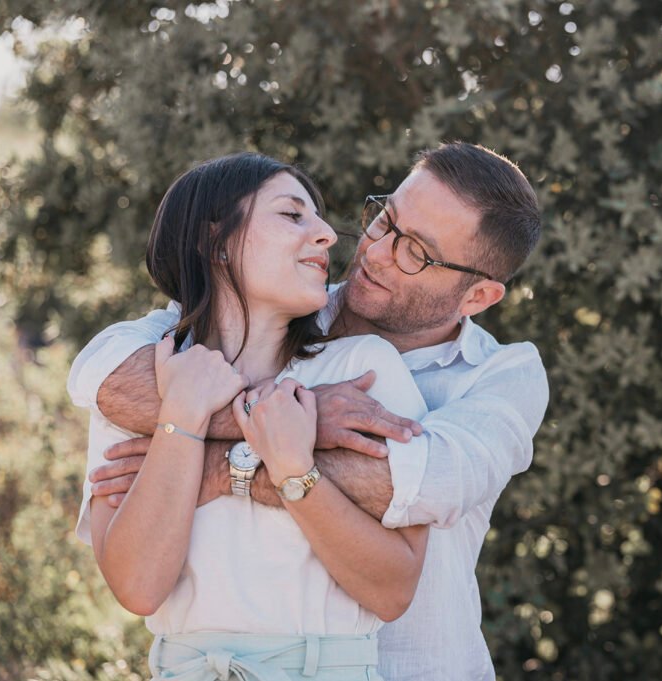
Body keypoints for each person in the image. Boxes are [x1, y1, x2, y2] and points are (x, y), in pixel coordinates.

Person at [69, 142, 548, 680]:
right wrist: (298, 417)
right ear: (216, 241)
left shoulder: (493, 375)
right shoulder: (173, 356)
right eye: (384, 219)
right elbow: (99, 373)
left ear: (477, 297)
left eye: (414, 250)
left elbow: (419, 485)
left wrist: (209, 461)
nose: (373, 249)